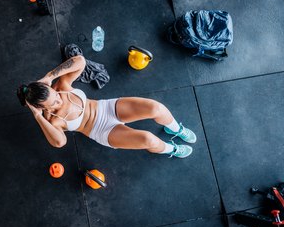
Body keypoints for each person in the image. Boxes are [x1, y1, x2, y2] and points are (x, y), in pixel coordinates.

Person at [17, 56, 196, 158]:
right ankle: (172, 149)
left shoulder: (61, 87)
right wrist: (38, 116)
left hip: (107, 108)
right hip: (101, 130)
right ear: (43, 108)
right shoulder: (52, 120)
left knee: (156, 108)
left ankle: (175, 129)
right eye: (54, 103)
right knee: (148, 140)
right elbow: (59, 142)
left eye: (55, 95)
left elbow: (80, 61)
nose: (59, 100)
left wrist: (50, 76)